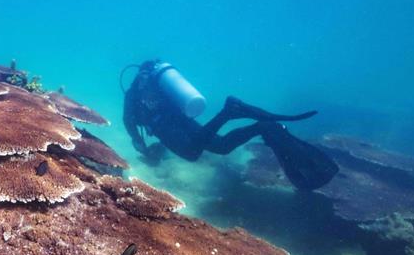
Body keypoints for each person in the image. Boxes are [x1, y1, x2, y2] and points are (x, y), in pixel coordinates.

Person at [122, 60, 339, 190]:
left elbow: (129, 124)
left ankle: (227, 112)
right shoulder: (159, 86)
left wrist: (140, 145)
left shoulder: (132, 94)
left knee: (191, 152)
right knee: (221, 146)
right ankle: (260, 127)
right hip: (182, 119)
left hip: (165, 126)